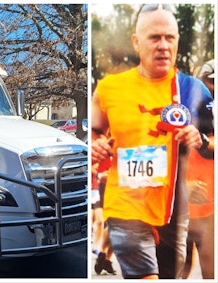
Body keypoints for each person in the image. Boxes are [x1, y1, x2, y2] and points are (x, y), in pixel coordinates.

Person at [91, 4, 214, 279]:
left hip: (173, 210)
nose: (163, 46)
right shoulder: (110, 88)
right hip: (126, 205)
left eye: (169, 38)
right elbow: (93, 132)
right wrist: (95, 144)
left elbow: (214, 140)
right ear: (136, 42)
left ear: (178, 41)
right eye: (154, 37)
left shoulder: (192, 89)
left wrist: (201, 138)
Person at [182, 59, 215, 279]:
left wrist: (203, 140)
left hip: (208, 204)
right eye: (210, 81)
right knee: (181, 267)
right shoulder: (186, 105)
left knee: (209, 269)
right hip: (183, 201)